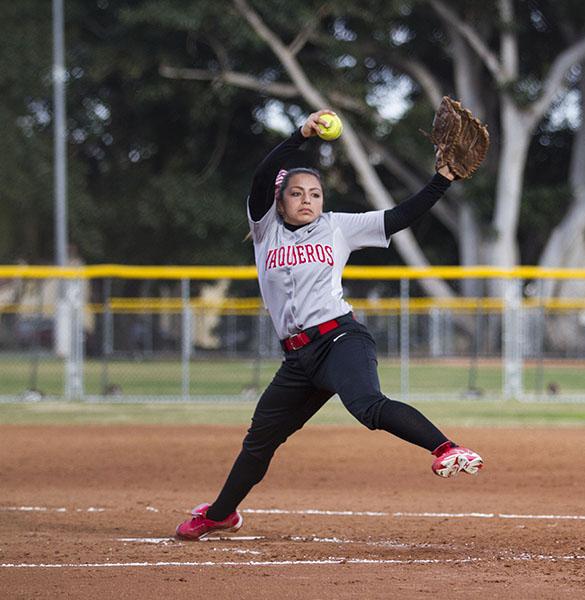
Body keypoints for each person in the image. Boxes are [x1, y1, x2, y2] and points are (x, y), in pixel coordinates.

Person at [175, 109, 483, 540]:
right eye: (297, 193)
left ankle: (447, 448)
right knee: (260, 440)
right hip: (298, 359)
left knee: (367, 406)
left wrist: (443, 179)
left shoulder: (336, 227)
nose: (307, 200)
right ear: (279, 201)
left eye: (315, 194)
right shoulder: (266, 231)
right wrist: (301, 134)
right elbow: (264, 175)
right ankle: (221, 514)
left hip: (340, 338)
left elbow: (399, 216)